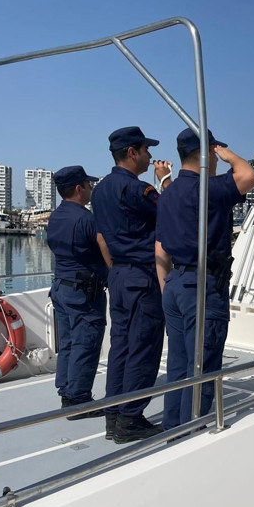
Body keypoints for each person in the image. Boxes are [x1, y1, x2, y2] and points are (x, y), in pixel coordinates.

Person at [155, 128, 254, 429]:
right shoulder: (209, 189)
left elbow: (159, 248)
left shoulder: (167, 193)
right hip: (203, 286)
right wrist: (226, 154)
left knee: (178, 365)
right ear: (207, 153)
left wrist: (165, 286)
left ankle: (172, 428)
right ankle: (192, 433)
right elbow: (248, 175)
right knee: (202, 367)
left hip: (175, 284)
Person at [91, 126, 172, 443]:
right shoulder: (138, 191)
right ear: (132, 152)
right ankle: (130, 419)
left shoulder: (99, 190)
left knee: (121, 348)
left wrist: (116, 269)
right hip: (141, 277)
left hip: (119, 277)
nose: (151, 156)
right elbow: (173, 214)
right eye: (147, 150)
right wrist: (164, 181)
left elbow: (101, 237)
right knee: (144, 348)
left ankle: (113, 417)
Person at [46, 166, 108, 419]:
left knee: (70, 343)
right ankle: (80, 401)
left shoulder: (56, 216)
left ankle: (67, 393)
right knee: (87, 343)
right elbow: (104, 248)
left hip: (61, 287)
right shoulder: (86, 219)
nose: (91, 189)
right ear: (78, 188)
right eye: (89, 185)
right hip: (84, 292)